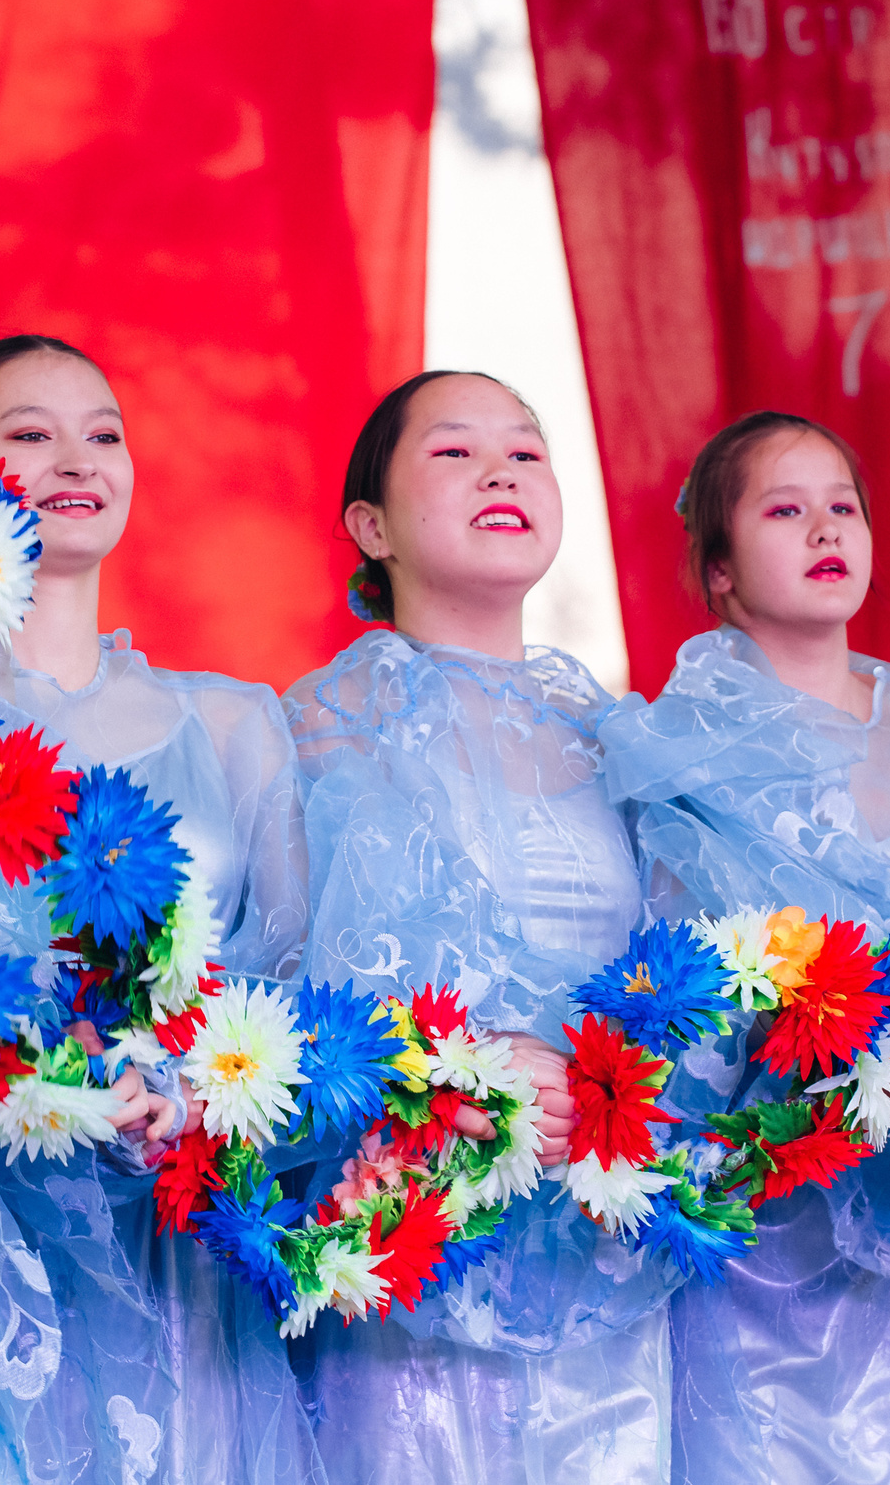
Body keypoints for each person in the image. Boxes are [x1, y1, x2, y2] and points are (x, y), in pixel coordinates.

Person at [602, 412, 890, 1484]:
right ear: (719, 569)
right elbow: (682, 976)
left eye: (842, 506)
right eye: (784, 509)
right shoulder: (673, 738)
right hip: (773, 1192)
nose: (826, 529)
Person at [0, 332, 318, 1482]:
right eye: (30, 433)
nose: (77, 458)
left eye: (103, 433)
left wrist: (190, 1092)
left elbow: (293, 979)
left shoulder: (232, 721)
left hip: (175, 1239)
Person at [284, 369, 668, 1484]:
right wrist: (454, 1075)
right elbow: (277, 994)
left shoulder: (622, 735)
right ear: (371, 527)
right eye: (455, 451)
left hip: (606, 1255)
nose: (502, 471)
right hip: (415, 1257)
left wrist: (613, 1083)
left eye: (527, 451)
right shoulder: (314, 722)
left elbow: (688, 977)